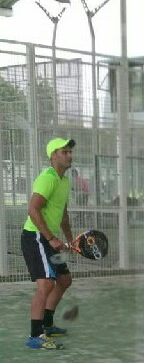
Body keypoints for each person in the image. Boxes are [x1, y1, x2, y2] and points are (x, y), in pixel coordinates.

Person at [21, 137, 76, 350]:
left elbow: (63, 214)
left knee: (64, 280)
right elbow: (33, 209)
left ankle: (47, 324)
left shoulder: (64, 181)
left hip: (47, 237)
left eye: (70, 151)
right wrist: (51, 238)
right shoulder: (48, 178)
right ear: (53, 155)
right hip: (35, 237)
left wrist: (70, 240)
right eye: (65, 152)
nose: (70, 155)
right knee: (45, 284)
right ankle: (35, 336)